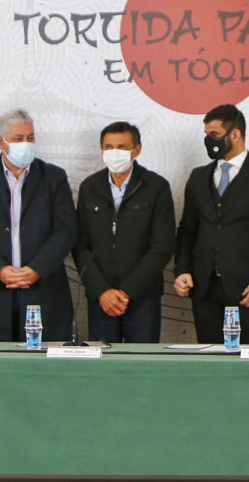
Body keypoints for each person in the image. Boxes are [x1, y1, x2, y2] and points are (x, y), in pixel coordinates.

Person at [173, 104, 249, 344]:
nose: (209, 140)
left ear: (235, 134)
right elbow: (187, 231)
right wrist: (182, 270)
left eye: (214, 135)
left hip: (248, 291)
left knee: (246, 364)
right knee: (209, 363)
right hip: (204, 289)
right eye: (206, 135)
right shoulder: (198, 177)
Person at [0, 109, 77, 342]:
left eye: (30, 138)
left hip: (44, 290)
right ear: (0, 142)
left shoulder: (54, 177)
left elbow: (66, 230)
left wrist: (36, 269)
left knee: (45, 369)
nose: (26, 144)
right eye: (18, 139)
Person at [72, 122, 175, 343]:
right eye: (108, 147)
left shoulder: (156, 187)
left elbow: (162, 247)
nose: (114, 152)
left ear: (136, 150)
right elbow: (80, 244)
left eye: (121, 146)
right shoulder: (90, 187)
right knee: (104, 369)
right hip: (101, 298)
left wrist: (127, 292)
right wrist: (103, 291)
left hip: (142, 298)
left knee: (142, 367)